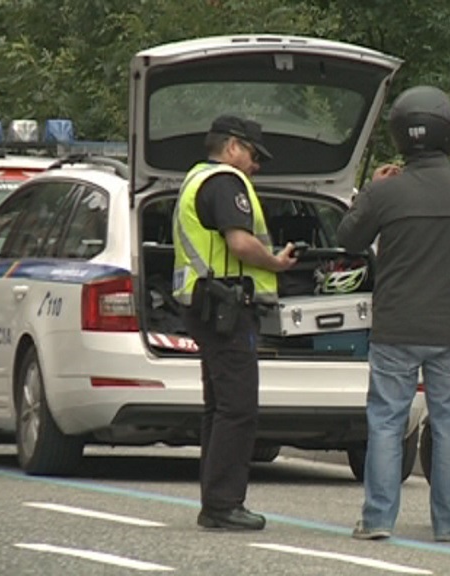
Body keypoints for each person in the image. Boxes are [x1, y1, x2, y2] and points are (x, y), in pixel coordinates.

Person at [338, 85, 450, 542]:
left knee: (386, 422)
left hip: (396, 327)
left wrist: (373, 190)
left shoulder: (386, 193)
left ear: (401, 136)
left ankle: (378, 520)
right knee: (449, 428)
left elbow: (347, 238)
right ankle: (448, 524)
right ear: (449, 133)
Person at [172, 115, 297, 530]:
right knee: (238, 408)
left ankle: (216, 501)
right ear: (232, 147)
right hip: (225, 305)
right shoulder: (226, 182)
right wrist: (275, 261)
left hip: (205, 303)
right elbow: (240, 243)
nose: (256, 166)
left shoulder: (195, 178)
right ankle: (224, 504)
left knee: (219, 407)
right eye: (254, 154)